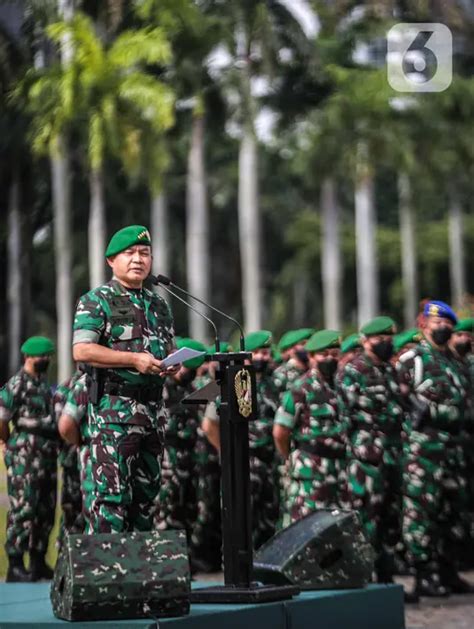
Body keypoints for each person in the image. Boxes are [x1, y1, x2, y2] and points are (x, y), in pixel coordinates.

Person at [72, 225, 176, 534]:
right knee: (113, 501)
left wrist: (171, 365)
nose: (138, 260)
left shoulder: (160, 305)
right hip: (114, 414)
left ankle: (139, 577)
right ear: (111, 261)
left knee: (145, 501)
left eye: (144, 254)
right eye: (129, 254)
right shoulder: (97, 300)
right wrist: (133, 359)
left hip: (152, 414)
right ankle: (107, 577)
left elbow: (166, 349)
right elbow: (82, 350)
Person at [397, 301, 472, 596]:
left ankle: (447, 570)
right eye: (436, 323)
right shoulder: (413, 359)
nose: (442, 328)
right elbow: (401, 400)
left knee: (452, 513)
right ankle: (423, 573)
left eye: (447, 324)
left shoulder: (456, 362)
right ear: (423, 324)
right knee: (421, 513)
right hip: (423, 449)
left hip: (454, 448)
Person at [337, 317, 407, 592]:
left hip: (392, 454)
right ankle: (363, 580)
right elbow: (345, 417)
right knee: (367, 519)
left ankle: (387, 579)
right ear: (365, 341)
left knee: (391, 518)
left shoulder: (389, 371)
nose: (386, 344)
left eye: (389, 339)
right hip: (366, 459)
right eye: (380, 340)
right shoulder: (353, 371)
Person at [203, 331, 279, 549]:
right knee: (242, 517)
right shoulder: (230, 382)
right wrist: (227, 453)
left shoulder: (272, 383)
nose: (264, 357)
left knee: (268, 517)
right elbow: (209, 426)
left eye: (267, 353)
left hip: (267, 461)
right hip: (244, 459)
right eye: (259, 353)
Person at [274, 330, 347, 527]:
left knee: (336, 527)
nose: (330, 359)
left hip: (339, 470)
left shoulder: (342, 386)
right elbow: (281, 431)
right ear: (313, 356)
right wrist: (288, 457)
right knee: (306, 526)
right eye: (324, 355)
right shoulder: (301, 388)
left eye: (334, 355)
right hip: (310, 471)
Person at [0, 336, 57, 582]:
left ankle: (38, 560)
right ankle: (15, 563)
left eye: (47, 356)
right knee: (24, 508)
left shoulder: (44, 384)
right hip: (24, 455)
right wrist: (6, 441)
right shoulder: (16, 385)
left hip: (46, 455)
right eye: (40, 357)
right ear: (27, 357)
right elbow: (1, 419)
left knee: (45, 509)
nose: (44, 360)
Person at [156, 338, 207, 554]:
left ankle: (184, 558)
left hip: (190, 457)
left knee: (188, 507)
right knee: (166, 507)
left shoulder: (193, 389)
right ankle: (163, 557)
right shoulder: (160, 389)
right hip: (168, 456)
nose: (190, 374)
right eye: (187, 368)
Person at [58, 374, 94, 531]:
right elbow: (64, 426)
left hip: (86, 461)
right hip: (82, 460)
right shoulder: (85, 383)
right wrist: (79, 441)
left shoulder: (82, 382)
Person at [272, 329, 314, 401]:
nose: (308, 347)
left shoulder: (312, 371)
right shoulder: (281, 374)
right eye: (303, 343)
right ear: (292, 349)